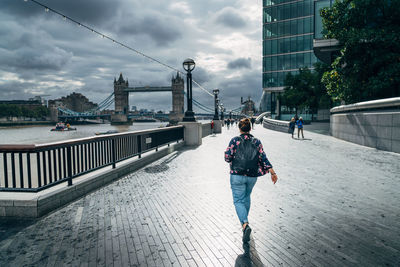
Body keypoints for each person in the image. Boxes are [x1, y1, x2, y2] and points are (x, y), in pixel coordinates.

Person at [224, 118, 278, 249]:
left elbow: (227, 157)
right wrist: (272, 172)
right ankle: (245, 224)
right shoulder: (256, 141)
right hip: (252, 176)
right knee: (247, 197)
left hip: (237, 174)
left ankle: (245, 224)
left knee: (238, 200)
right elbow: (263, 157)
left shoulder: (235, 140)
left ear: (240, 128)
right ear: (250, 128)